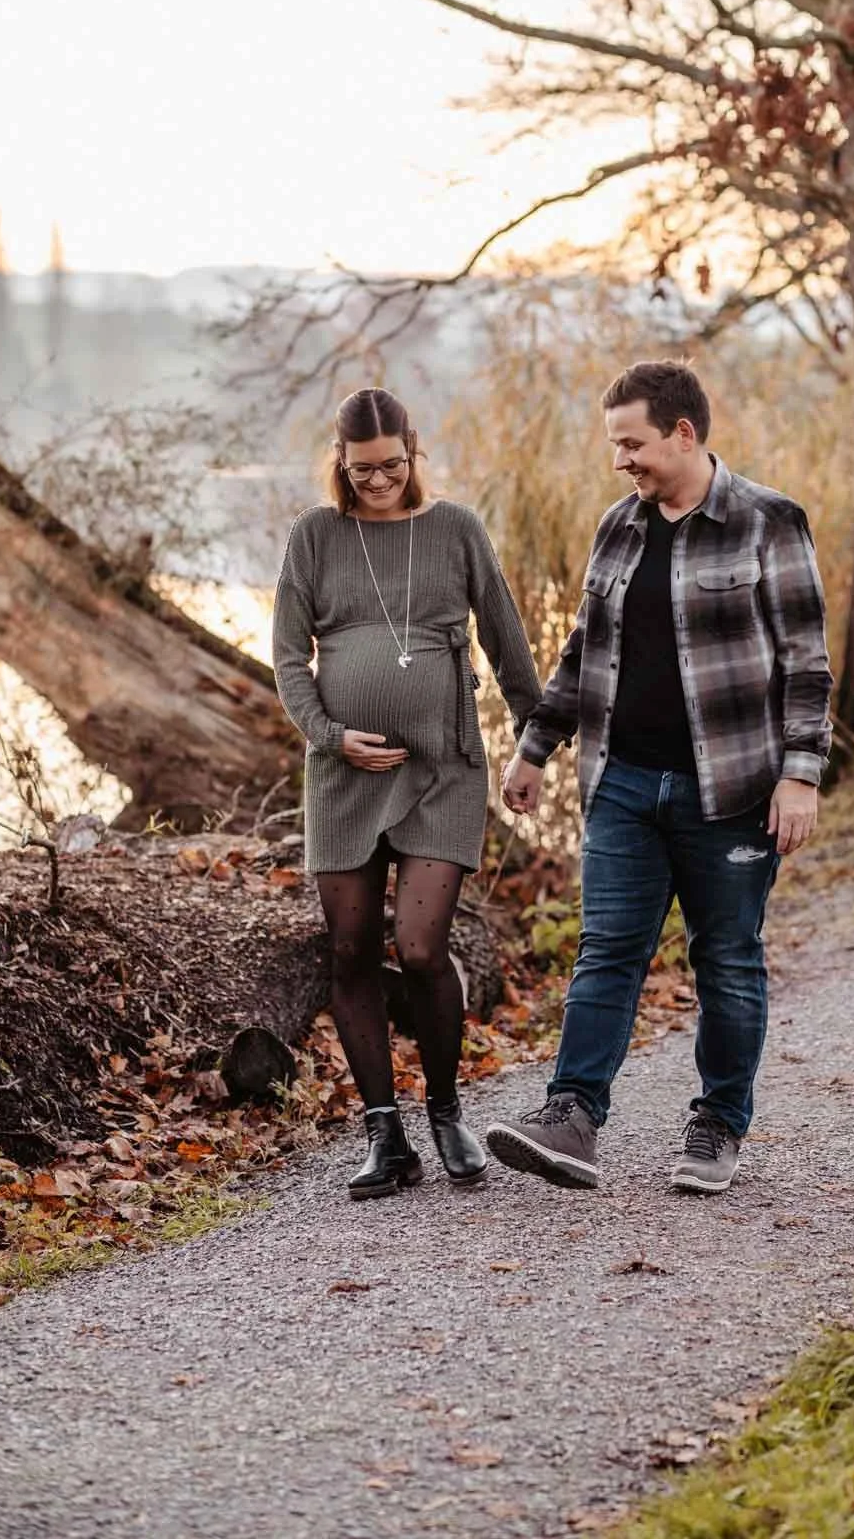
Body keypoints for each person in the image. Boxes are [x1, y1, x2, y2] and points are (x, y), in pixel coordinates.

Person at [488, 359, 833, 1195]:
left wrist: (801, 776)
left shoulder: (768, 522)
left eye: (632, 443)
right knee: (607, 949)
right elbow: (583, 651)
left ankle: (718, 1124)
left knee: (726, 959)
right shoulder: (620, 527)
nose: (621, 461)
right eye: (614, 445)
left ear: (683, 433)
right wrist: (536, 746)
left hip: (734, 793)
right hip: (624, 786)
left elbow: (808, 665)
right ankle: (571, 1117)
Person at [272, 387, 540, 1199]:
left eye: (391, 465)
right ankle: (384, 1134)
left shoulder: (455, 527)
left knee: (421, 947)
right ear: (340, 463)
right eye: (361, 470)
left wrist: (537, 734)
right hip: (343, 777)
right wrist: (329, 734)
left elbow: (502, 631)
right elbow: (288, 658)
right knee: (350, 950)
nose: (378, 481)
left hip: (442, 771)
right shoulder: (316, 535)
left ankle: (448, 1112)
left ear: (413, 451)